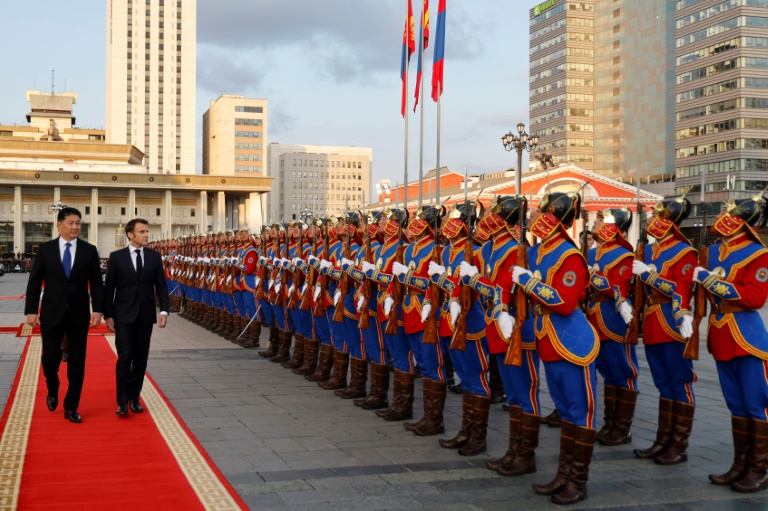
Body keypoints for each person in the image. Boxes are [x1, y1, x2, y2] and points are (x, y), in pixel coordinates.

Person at [511, 191, 600, 505]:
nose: (536, 217)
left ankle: (577, 481)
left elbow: (564, 303)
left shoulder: (569, 255)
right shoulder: (537, 252)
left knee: (579, 410)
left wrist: (530, 283)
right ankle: (564, 475)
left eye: (541, 212)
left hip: (570, 339)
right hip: (546, 337)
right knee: (565, 411)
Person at [694, 196, 768, 492]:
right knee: (736, 404)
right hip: (720, 332)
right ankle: (740, 465)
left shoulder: (758, 253)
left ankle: (759, 468)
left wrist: (711, 282)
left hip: (746, 334)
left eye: (729, 211)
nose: (724, 215)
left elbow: (755, 298)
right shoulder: (711, 252)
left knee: (755, 403)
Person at [631, 197, 697, 465]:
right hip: (652, 322)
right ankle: (663, 440)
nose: (649, 220)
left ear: (667, 220)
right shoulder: (649, 251)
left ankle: (678, 445)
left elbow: (682, 290)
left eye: (654, 216)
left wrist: (649, 276)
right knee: (663, 384)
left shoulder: (685, 252)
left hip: (672, 321)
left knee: (678, 382)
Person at [24, 207, 104, 423]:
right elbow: (34, 281)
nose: (75, 227)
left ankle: (71, 407)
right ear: (59, 225)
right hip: (51, 312)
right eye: (70, 222)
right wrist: (31, 310)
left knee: (78, 361)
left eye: (78, 223)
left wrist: (97, 309)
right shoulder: (46, 249)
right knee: (50, 358)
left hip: (79, 314)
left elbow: (96, 282)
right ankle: (53, 385)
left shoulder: (89, 250)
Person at [103, 218, 169, 416]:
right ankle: (122, 401)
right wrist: (108, 315)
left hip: (146, 316)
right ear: (130, 235)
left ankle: (134, 398)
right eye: (142, 232)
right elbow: (109, 289)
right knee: (125, 357)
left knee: (140, 359)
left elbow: (162, 286)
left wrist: (164, 311)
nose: (146, 235)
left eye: (147, 231)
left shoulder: (154, 257)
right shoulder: (116, 257)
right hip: (123, 315)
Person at [586, 208, 639, 446]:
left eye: (600, 220)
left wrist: (593, 277)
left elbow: (620, 289)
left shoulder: (624, 255)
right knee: (607, 371)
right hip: (593, 316)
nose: (594, 223)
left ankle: (622, 428)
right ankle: (609, 424)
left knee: (623, 371)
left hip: (614, 316)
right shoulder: (592, 253)